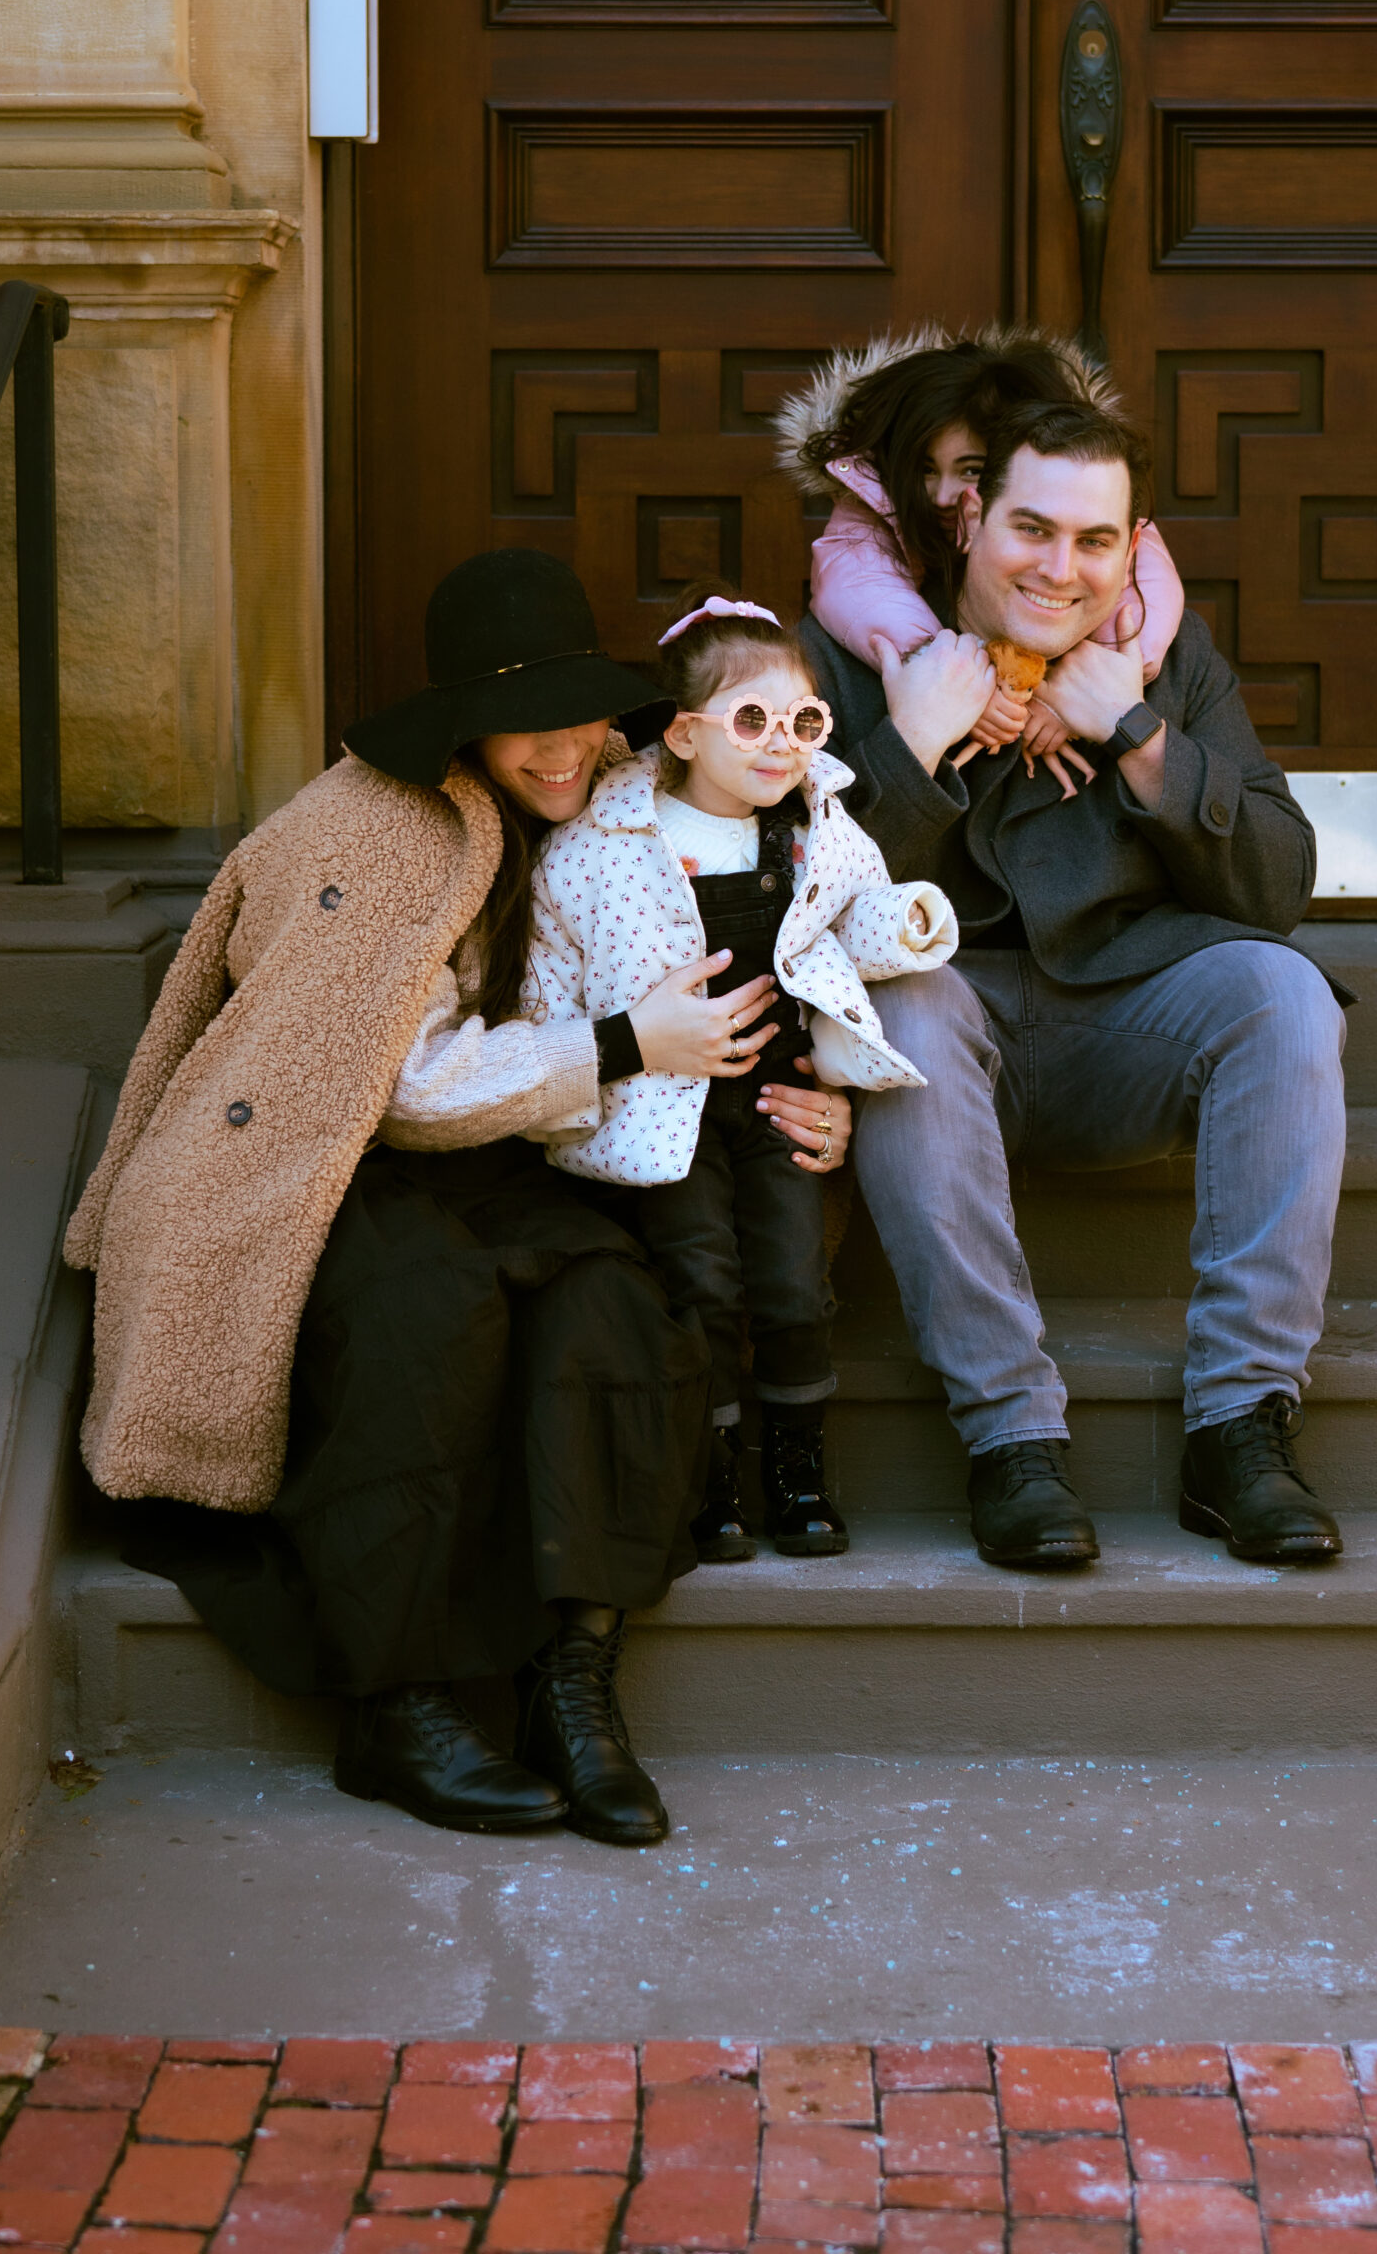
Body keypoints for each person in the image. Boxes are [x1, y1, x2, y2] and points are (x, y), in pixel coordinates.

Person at [62, 550, 852, 1846]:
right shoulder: (369, 834)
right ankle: (398, 1701)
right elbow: (395, 1086)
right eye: (527, 722)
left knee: (612, 1305)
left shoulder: (632, 795)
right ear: (464, 727)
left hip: (525, 1147)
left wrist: (822, 1090)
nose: (563, 749)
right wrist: (618, 1047)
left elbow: (793, 938)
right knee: (426, 1315)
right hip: (336, 1161)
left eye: (581, 712)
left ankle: (570, 1677)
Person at [796, 387, 1353, 1572]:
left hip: (1126, 1023)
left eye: (1096, 539)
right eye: (1031, 529)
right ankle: (1011, 1439)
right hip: (949, 1040)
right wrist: (909, 748)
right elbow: (797, 914)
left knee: (1283, 989)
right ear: (966, 521)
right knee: (901, 1002)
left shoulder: (1161, 657)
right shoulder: (854, 662)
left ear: (1131, 547)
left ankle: (1240, 1428)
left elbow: (1279, 884)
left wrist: (1144, 736)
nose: (1063, 569)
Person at [522, 593, 958, 1563]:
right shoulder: (596, 849)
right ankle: (708, 1473)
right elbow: (549, 994)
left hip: (773, 1094)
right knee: (700, 1282)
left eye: (805, 722)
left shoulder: (817, 829)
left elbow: (860, 918)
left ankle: (797, 1470)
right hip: (656, 1103)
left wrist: (914, 923)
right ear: (683, 733)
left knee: (794, 1283)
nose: (783, 744)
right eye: (751, 720)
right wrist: (586, 1081)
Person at [779, 326, 1185, 794]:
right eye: (925, 469)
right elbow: (856, 586)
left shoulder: (1101, 512)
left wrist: (1103, 689)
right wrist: (953, 673)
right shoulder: (868, 524)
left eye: (971, 469)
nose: (945, 495)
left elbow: (1145, 589)